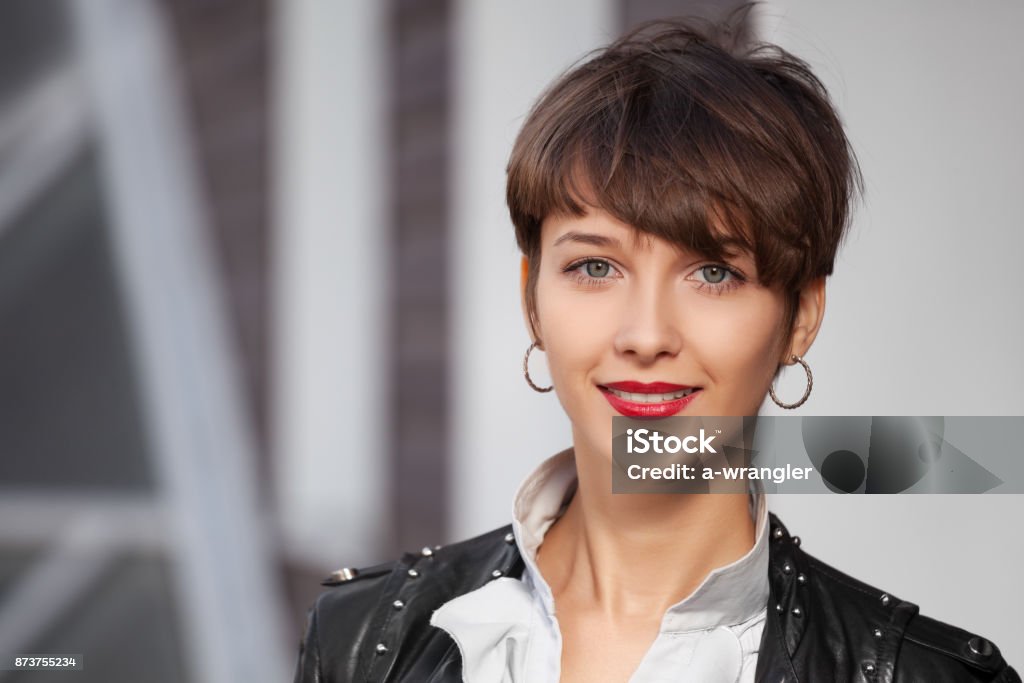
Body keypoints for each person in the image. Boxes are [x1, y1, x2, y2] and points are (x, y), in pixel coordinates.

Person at [292, 13, 1020, 683]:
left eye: (713, 272)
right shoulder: (360, 640)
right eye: (595, 266)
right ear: (532, 298)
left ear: (800, 316)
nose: (645, 335)